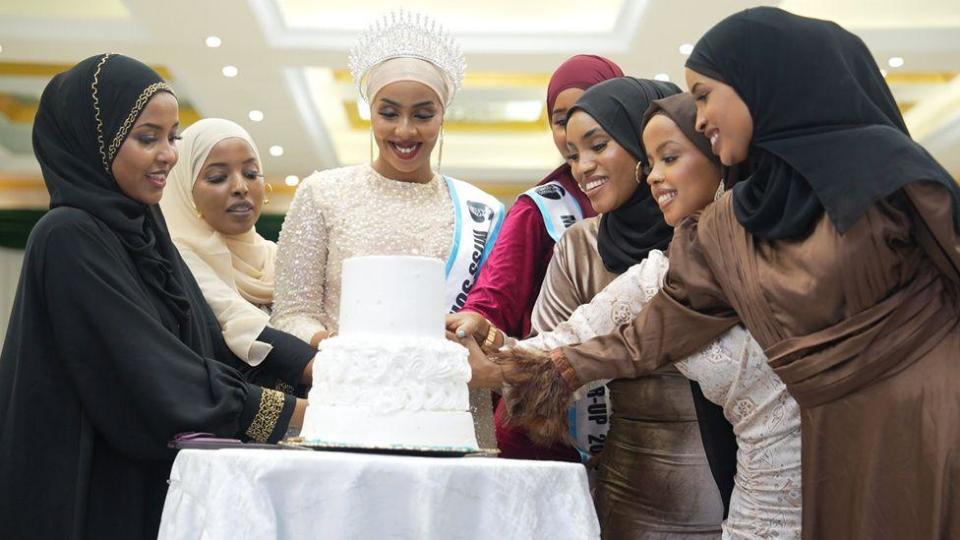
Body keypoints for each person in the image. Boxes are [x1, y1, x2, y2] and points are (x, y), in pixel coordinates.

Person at [485, 8, 960, 539]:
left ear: (761, 83)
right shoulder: (726, 227)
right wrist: (553, 367)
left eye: (707, 93)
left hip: (930, 427)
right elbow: (653, 329)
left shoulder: (887, 175)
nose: (703, 115)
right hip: (833, 449)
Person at [0, 54, 306, 539]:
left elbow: (207, 343)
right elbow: (150, 369)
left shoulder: (146, 229)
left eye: (173, 137)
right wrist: (287, 415)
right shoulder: (69, 235)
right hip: (92, 484)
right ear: (95, 142)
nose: (168, 153)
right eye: (148, 138)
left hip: (155, 478)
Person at [456, 79, 734, 538]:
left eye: (599, 146)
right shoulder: (582, 245)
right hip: (629, 489)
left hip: (739, 484)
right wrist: (494, 345)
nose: (582, 168)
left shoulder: (735, 242)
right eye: (571, 155)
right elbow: (560, 343)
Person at [272, 10, 504, 448]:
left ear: (442, 116)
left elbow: (494, 317)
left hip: (449, 412)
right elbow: (290, 314)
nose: (405, 130)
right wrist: (340, 347)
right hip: (349, 403)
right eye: (389, 113)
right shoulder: (323, 193)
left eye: (422, 114)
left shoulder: (481, 212)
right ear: (371, 113)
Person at [452, 54, 619, 462]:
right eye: (561, 120)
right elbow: (496, 296)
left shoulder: (668, 202)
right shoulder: (540, 209)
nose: (573, 131)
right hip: (550, 420)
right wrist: (473, 322)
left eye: (591, 111)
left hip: (644, 424)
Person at [160, 118, 316, 395]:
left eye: (251, 173)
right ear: (186, 191)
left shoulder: (275, 256)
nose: (240, 187)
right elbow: (242, 324)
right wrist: (341, 371)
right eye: (218, 177)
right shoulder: (177, 258)